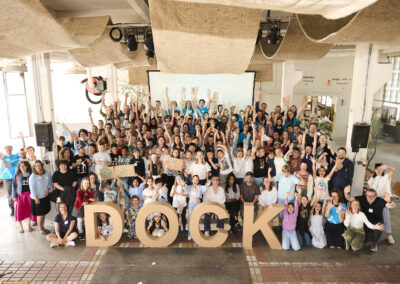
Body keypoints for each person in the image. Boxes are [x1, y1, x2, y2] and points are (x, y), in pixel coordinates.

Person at [344, 186, 397, 252]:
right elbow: (349, 198)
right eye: (368, 196)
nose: (370, 198)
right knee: (364, 241)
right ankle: (366, 237)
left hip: (376, 222)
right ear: (365, 195)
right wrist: (346, 193)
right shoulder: (362, 198)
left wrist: (389, 201)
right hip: (365, 222)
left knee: (380, 226)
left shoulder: (380, 201)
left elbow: (393, 206)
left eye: (372, 196)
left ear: (376, 196)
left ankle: (374, 243)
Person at [367, 163, 396, 244]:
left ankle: (389, 234)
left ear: (383, 169)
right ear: (375, 170)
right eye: (377, 169)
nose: (379, 170)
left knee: (386, 215)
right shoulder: (371, 179)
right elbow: (369, 191)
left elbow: (394, 170)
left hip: (382, 199)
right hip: (372, 199)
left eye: (381, 169)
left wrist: (388, 166)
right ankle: (371, 231)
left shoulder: (386, 177)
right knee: (370, 214)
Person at [12, 161, 37, 233]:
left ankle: (29, 226)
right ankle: (21, 227)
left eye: (23, 166)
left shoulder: (32, 174)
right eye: (20, 166)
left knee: (29, 210)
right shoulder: (17, 175)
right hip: (20, 195)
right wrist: (14, 196)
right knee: (19, 211)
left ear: (27, 166)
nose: (21, 168)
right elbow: (13, 186)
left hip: (29, 194)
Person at [29, 160, 52, 234]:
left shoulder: (47, 174)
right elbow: (32, 189)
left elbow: (50, 183)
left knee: (43, 213)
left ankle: (42, 227)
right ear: (34, 167)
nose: (38, 167)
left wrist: (47, 190)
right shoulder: (33, 176)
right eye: (36, 166)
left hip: (45, 197)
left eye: (39, 165)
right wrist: (36, 198)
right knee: (40, 214)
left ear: (42, 166)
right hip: (37, 198)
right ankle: (40, 229)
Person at [185, 175, 209, 240]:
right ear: (192, 180)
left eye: (197, 180)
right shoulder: (189, 187)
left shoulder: (200, 187)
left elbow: (205, 187)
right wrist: (183, 184)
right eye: (194, 179)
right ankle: (190, 234)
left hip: (198, 203)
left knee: (197, 218)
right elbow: (185, 188)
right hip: (191, 203)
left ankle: (196, 233)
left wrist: (207, 184)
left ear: (198, 181)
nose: (195, 181)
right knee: (190, 218)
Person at [0, 145, 20, 216]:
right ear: (4, 150)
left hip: (16, 178)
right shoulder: (2, 157)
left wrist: (22, 139)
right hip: (7, 179)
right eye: (7, 149)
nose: (8, 150)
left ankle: (18, 208)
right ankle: (12, 210)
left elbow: (23, 149)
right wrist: (2, 159)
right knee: (9, 195)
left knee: (18, 193)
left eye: (10, 149)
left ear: (12, 149)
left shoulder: (15, 156)